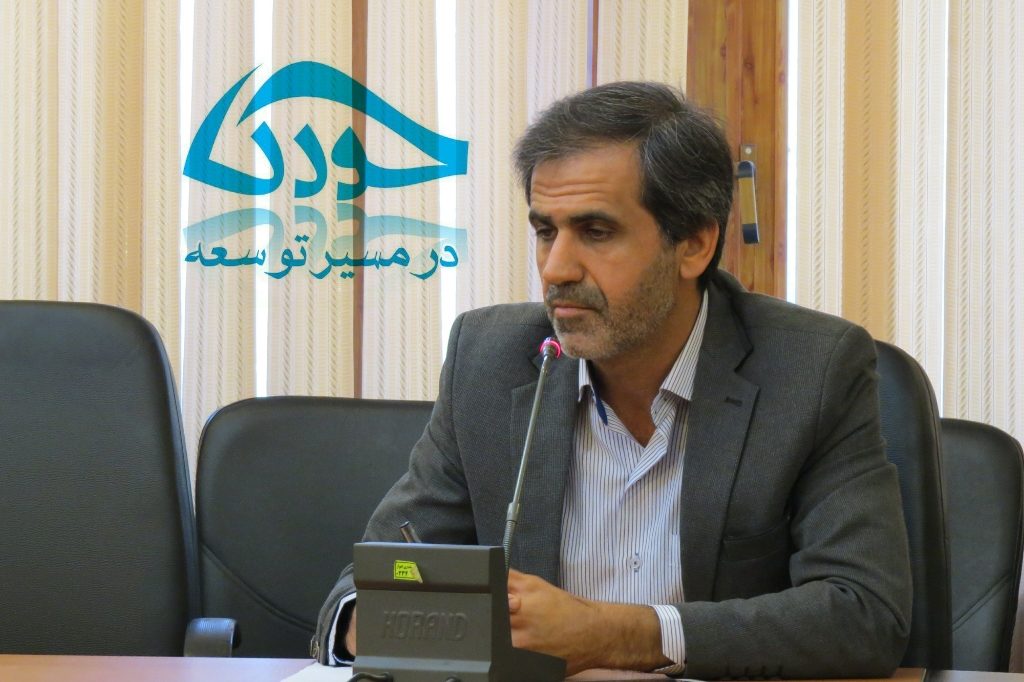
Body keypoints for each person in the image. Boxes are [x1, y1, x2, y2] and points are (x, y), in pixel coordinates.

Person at [313, 81, 912, 678]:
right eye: (545, 231)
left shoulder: (811, 369)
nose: (556, 269)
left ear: (695, 244)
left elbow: (863, 614)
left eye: (596, 232)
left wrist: (614, 635)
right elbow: (369, 588)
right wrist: (391, 620)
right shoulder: (489, 361)